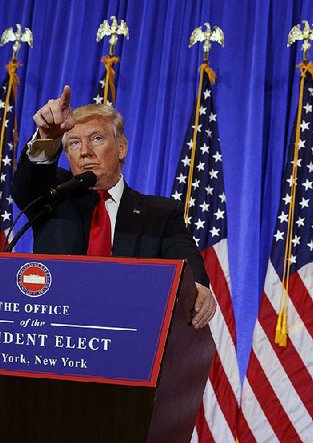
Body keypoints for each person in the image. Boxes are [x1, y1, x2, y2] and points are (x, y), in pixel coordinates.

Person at [13, 85, 217, 329]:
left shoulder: (160, 214)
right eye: (74, 143)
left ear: (122, 148)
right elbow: (28, 183)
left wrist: (199, 290)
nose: (85, 152)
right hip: (56, 338)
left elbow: (189, 270)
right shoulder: (53, 194)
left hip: (127, 337)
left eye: (96, 139)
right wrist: (48, 136)